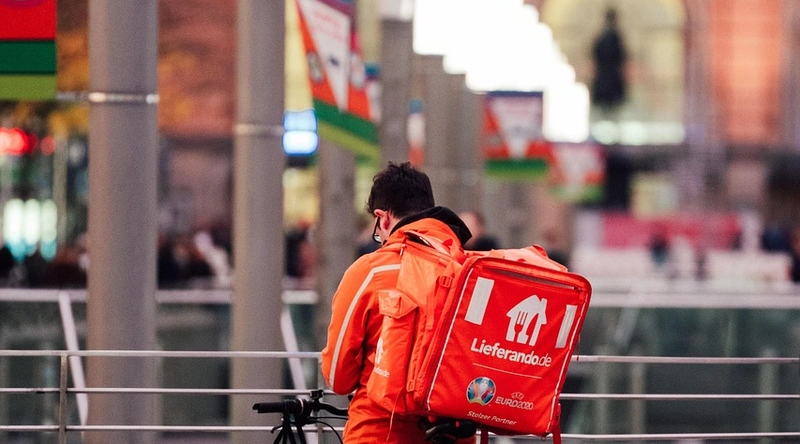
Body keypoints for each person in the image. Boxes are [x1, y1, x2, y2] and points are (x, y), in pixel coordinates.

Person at [321, 162, 473, 443]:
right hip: (453, 434)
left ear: (383, 217)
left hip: (380, 432)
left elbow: (338, 377)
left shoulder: (370, 271)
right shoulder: (466, 270)